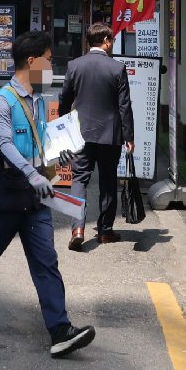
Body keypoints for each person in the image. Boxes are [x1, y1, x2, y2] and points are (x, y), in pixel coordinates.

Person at [0, 30, 96, 358]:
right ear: (31, 62)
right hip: (4, 198)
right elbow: (3, 143)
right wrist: (34, 174)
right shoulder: (2, 100)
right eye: (48, 60)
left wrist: (59, 156)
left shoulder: (39, 101)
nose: (51, 67)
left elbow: (39, 144)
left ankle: (60, 330)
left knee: (46, 262)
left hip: (34, 200)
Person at [57, 22, 135, 250]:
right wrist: (129, 136)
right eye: (112, 40)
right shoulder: (117, 68)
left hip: (80, 132)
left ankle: (78, 228)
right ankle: (105, 231)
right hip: (110, 134)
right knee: (108, 180)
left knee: (79, 179)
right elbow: (124, 107)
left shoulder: (74, 65)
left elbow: (64, 98)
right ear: (106, 40)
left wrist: (64, 123)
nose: (112, 44)